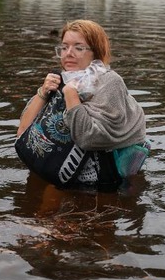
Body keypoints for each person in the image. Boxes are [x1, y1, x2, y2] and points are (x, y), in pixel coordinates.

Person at [16, 19, 147, 189]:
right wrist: (42, 92)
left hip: (100, 186)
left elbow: (90, 138)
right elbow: (22, 133)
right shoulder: (60, 79)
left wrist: (71, 95)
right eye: (64, 47)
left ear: (95, 52)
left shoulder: (109, 82)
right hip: (59, 173)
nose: (68, 53)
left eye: (78, 48)